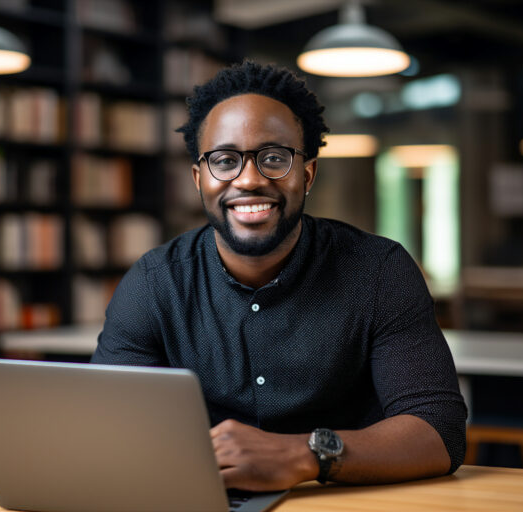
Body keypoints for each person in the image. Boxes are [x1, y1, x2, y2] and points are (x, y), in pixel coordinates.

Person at [92, 61, 467, 491]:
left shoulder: (378, 272)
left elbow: (439, 432)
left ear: (306, 174)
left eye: (274, 157)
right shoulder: (155, 283)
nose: (249, 180)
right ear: (200, 180)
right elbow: (107, 424)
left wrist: (304, 456)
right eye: (225, 160)